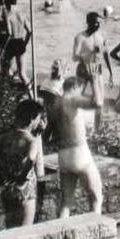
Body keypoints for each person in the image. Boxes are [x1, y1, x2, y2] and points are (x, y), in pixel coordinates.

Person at [0, 99, 47, 227]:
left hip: (9, 187)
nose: (39, 122)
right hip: (26, 188)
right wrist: (22, 176)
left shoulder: (7, 137)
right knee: (25, 227)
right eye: (38, 118)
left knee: (11, 226)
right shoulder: (31, 141)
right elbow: (31, 159)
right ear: (32, 119)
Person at [44, 76, 103, 217]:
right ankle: (96, 230)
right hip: (79, 152)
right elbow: (98, 103)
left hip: (63, 155)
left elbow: (46, 137)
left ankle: (62, 233)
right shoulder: (73, 99)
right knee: (96, 196)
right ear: (75, 87)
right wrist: (95, 80)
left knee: (66, 202)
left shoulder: (54, 105)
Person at [72, 11, 114, 131]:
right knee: (75, 98)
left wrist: (111, 72)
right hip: (83, 68)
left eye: (99, 23)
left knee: (99, 103)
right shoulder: (80, 37)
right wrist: (88, 53)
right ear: (88, 23)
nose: (97, 25)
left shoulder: (102, 35)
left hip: (96, 69)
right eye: (95, 23)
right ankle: (74, 125)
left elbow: (106, 53)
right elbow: (74, 57)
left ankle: (97, 130)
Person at [0, 0, 30, 85]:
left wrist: (3, 49)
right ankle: (32, 95)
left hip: (11, 43)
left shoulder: (8, 14)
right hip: (20, 42)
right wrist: (24, 44)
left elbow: (9, 33)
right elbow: (29, 31)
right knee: (22, 73)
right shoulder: (22, 13)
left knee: (4, 70)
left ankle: (6, 91)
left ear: (7, 2)